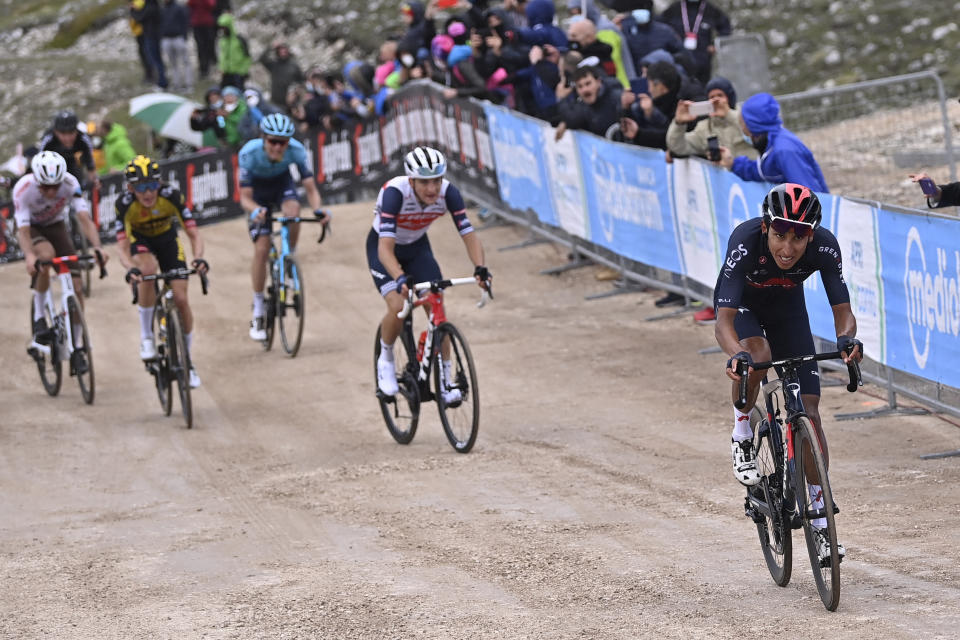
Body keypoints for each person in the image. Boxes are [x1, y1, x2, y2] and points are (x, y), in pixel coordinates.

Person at [715, 183, 862, 563]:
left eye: (798, 239)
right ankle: (743, 431)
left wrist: (847, 340)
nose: (788, 248)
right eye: (780, 235)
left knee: (810, 411)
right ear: (766, 228)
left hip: (788, 310)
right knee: (757, 354)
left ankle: (819, 520)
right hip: (744, 308)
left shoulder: (825, 247)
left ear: (810, 235)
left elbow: (841, 310)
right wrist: (736, 356)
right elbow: (723, 323)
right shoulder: (746, 241)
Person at [370, 146, 491, 400]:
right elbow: (384, 249)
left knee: (437, 306)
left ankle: (446, 381)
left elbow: (468, 233)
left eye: (436, 180)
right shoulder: (395, 194)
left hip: (417, 249)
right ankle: (386, 358)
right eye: (425, 182)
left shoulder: (449, 194)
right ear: (411, 180)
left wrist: (480, 268)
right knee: (398, 305)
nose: (432, 189)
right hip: (385, 249)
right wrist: (399, 277)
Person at [115, 155, 208, 388]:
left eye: (152, 185)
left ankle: (187, 360)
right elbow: (122, 246)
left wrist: (198, 258)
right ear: (130, 188)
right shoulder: (125, 204)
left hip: (167, 241)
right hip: (141, 242)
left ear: (160, 183)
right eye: (141, 187)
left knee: (181, 298)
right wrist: (130, 268)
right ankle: (146, 336)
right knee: (147, 269)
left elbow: (193, 233)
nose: (148, 193)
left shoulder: (171, 196)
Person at [238, 114, 329, 341]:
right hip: (257, 193)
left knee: (293, 212)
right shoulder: (249, 154)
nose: (278, 147)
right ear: (263, 139)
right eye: (273, 141)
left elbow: (310, 188)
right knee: (261, 247)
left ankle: (290, 254)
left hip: (281, 184)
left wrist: (319, 211)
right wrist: (255, 211)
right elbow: (244, 198)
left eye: (283, 142)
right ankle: (258, 306)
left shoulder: (296, 151)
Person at [14, 151, 107, 369]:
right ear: (36, 180)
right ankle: (39, 319)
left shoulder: (69, 183)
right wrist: (29, 256)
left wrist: (98, 248)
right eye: (46, 187)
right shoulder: (24, 189)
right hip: (33, 228)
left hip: (56, 226)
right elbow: (24, 232)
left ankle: (76, 347)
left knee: (77, 286)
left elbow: (84, 219)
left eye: (55, 186)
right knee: (45, 257)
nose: (51, 191)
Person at [718, 92, 829, 193]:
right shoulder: (771, 144)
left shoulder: (784, 150)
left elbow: (809, 196)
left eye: (742, 123)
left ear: (753, 125)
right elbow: (762, 171)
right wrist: (733, 163)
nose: (741, 129)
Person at [659, 0, 731, 84]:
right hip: (680, 61)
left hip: (703, 61)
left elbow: (725, 26)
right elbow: (660, 26)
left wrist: (715, 45)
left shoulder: (709, 9)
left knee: (702, 90)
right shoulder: (675, 8)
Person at [554, 63, 623, 140]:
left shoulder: (616, 96)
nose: (585, 90)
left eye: (588, 83)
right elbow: (573, 119)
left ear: (598, 82)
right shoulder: (583, 103)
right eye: (580, 86)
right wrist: (562, 99)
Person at [258, 40, 305, 107]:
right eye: (280, 51)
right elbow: (262, 59)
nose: (283, 53)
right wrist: (271, 47)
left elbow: (301, 81)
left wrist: (294, 92)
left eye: (284, 50)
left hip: (290, 102)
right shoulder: (274, 64)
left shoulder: (294, 65)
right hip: (275, 101)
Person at [161, 0, 193, 93]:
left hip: (178, 37)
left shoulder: (179, 8)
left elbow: (186, 22)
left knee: (185, 62)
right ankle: (176, 84)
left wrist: (184, 36)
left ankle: (188, 84)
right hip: (166, 38)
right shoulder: (163, 9)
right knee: (173, 63)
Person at [216, 13, 252, 89]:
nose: (223, 30)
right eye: (221, 28)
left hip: (238, 73)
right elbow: (222, 55)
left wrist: (244, 71)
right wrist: (222, 68)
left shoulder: (240, 39)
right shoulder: (223, 40)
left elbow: (247, 56)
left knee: (239, 93)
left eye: (224, 28)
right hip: (226, 72)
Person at [188, 0, 218, 79]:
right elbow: (189, 4)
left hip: (207, 24)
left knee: (209, 45)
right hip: (197, 24)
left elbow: (212, 5)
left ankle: (211, 64)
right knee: (200, 47)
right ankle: (203, 69)